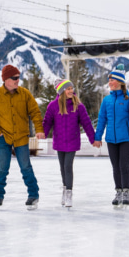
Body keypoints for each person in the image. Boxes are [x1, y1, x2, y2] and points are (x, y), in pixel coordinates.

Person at [0, 64, 45, 210]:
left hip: (21, 137)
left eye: (18, 77)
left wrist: (39, 129)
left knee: (26, 167)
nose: (18, 80)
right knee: (2, 168)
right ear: (6, 79)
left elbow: (35, 112)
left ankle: (33, 194)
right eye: (14, 78)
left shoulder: (25, 94)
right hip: (3, 138)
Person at [42, 79, 95, 208]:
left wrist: (93, 139)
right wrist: (42, 132)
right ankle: (65, 190)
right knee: (62, 167)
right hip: (59, 141)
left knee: (67, 166)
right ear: (62, 91)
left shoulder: (78, 106)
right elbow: (47, 122)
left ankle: (69, 193)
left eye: (72, 88)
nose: (71, 91)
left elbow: (87, 123)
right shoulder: (53, 106)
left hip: (72, 140)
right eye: (68, 89)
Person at [93, 64, 129, 207]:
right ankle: (118, 191)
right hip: (111, 139)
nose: (109, 82)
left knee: (124, 166)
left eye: (112, 80)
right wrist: (97, 137)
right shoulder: (107, 100)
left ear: (119, 81)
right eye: (109, 80)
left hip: (127, 138)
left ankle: (126, 192)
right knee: (115, 167)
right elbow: (102, 120)